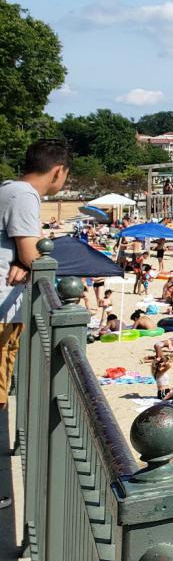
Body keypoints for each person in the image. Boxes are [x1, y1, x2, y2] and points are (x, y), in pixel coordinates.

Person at [0, 139, 70, 411]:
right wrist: (27, 260)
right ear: (58, 171)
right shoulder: (25, 195)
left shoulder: (8, 189)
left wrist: (22, 259)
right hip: (4, 308)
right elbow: (34, 254)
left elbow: (23, 251)